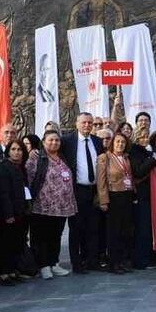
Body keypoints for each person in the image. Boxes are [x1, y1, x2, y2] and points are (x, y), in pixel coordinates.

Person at [27, 131, 74, 278]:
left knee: (56, 235)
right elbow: (29, 180)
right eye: (51, 140)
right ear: (44, 141)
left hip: (62, 206)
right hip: (42, 206)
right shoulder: (37, 158)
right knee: (42, 236)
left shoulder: (62, 157)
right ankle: (43, 265)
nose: (54, 143)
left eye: (57, 140)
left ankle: (54, 263)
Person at [62, 114, 104, 274]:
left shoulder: (97, 142)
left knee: (93, 227)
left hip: (94, 191)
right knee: (76, 228)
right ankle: (76, 262)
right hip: (76, 190)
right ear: (77, 123)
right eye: (84, 122)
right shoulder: (67, 141)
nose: (87, 125)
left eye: (90, 123)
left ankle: (92, 260)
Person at [97, 133, 136, 274]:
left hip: (127, 196)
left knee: (125, 231)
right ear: (112, 143)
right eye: (118, 142)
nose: (120, 144)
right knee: (113, 232)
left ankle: (121, 261)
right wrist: (103, 201)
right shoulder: (104, 158)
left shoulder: (126, 158)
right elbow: (101, 182)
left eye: (123, 142)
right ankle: (113, 263)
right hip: (113, 197)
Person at [0, 140, 28, 286]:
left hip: (20, 212)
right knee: (5, 244)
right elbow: (3, 193)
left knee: (16, 243)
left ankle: (12, 270)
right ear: (8, 151)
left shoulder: (20, 167)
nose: (17, 152)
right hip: (7, 214)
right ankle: (3, 273)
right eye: (13, 149)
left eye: (19, 149)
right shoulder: (3, 168)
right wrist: (8, 214)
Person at [126, 128, 156, 270]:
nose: (145, 139)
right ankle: (141, 260)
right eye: (142, 137)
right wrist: (153, 160)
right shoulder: (134, 151)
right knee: (142, 228)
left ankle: (147, 257)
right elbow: (138, 172)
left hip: (148, 195)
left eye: (146, 137)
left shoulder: (145, 151)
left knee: (146, 228)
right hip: (139, 196)